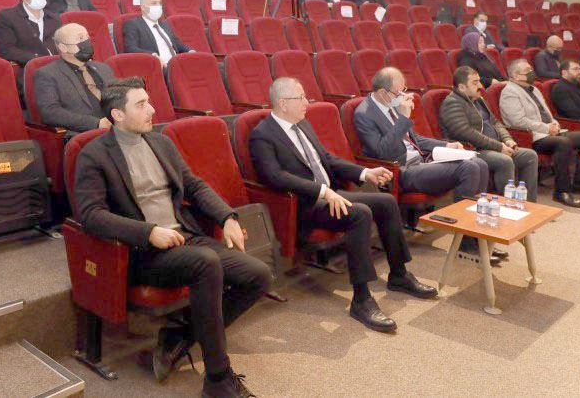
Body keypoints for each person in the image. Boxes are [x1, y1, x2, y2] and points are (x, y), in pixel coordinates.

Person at [75, 76, 269, 397]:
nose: (152, 110)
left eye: (149, 101)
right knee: (206, 263)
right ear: (117, 115)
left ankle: (181, 335)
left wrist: (227, 217)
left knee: (258, 275)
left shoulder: (161, 142)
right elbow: (91, 215)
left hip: (184, 236)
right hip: (141, 252)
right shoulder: (93, 155)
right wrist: (148, 232)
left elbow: (194, 185)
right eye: (141, 105)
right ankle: (218, 379)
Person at [250, 77, 437, 334]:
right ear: (283, 103)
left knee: (385, 202)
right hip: (304, 206)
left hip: (331, 195)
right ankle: (361, 299)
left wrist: (365, 173)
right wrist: (323, 192)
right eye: (301, 98)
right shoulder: (262, 135)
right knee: (360, 214)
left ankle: (399, 274)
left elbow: (327, 159)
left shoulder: (302, 124)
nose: (306, 102)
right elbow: (275, 177)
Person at [353, 68, 503, 262]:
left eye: (404, 90)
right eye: (399, 92)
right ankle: (466, 243)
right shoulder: (364, 113)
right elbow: (382, 151)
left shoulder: (390, 103)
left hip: (422, 161)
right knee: (469, 167)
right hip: (401, 170)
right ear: (383, 92)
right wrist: (403, 119)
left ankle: (477, 237)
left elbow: (414, 139)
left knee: (479, 163)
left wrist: (445, 145)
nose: (403, 96)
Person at [500, 59, 580, 207]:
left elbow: (546, 113)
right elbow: (517, 121)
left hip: (549, 132)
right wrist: (546, 128)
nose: (532, 72)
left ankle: (579, 182)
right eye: (527, 71)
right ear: (515, 75)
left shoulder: (534, 89)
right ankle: (561, 191)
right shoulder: (509, 92)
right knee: (564, 143)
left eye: (531, 69)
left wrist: (554, 123)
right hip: (531, 136)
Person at [440, 66, 539, 201]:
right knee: (504, 161)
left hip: (494, 146)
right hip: (473, 149)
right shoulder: (452, 103)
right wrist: (499, 147)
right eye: (475, 83)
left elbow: (495, 122)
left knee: (530, 155)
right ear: (462, 87)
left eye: (479, 81)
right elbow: (466, 133)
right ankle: (507, 204)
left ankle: (529, 203)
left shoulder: (478, 99)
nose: (480, 86)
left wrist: (507, 139)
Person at [33, 23, 115, 137]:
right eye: (80, 38)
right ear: (63, 47)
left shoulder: (104, 68)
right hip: (85, 134)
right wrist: (96, 123)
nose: (86, 42)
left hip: (118, 130)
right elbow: (50, 112)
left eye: (87, 37)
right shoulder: (48, 74)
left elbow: (119, 97)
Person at [0, 0, 60, 66]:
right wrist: (40, 60)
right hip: (28, 68)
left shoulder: (54, 18)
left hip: (57, 68)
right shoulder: (6, 17)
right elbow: (8, 51)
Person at [123, 0, 192, 64]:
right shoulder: (133, 24)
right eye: (154, 3)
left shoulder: (165, 24)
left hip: (177, 64)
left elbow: (178, 44)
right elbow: (130, 48)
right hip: (157, 65)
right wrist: (152, 56)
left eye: (160, 3)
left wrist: (190, 51)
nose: (158, 6)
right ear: (143, 7)